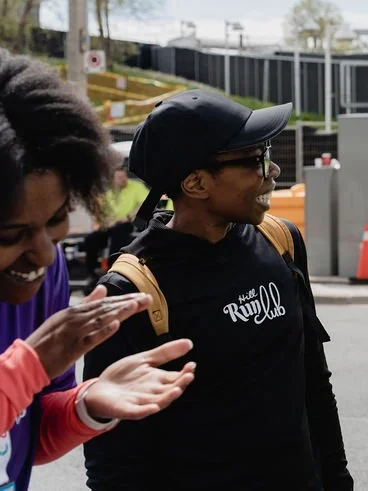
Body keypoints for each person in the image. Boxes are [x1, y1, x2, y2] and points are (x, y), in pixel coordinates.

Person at [83, 89, 353, 490]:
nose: (273, 169)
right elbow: (114, 460)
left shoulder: (280, 241)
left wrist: (338, 481)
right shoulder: (133, 289)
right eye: (255, 159)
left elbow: (314, 380)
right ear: (195, 183)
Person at [0, 48, 196, 491]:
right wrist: (30, 367)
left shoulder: (40, 275)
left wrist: (88, 404)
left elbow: (23, 437)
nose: (45, 254)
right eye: (10, 235)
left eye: (57, 219)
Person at [81, 158, 151, 292]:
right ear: (112, 179)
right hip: (110, 226)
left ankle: (113, 268)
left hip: (130, 223)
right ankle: (92, 272)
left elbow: (145, 203)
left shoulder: (136, 186)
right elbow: (99, 210)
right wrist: (103, 222)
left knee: (118, 233)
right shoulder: (107, 192)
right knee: (91, 239)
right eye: (119, 177)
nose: (123, 179)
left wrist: (127, 216)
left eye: (124, 176)